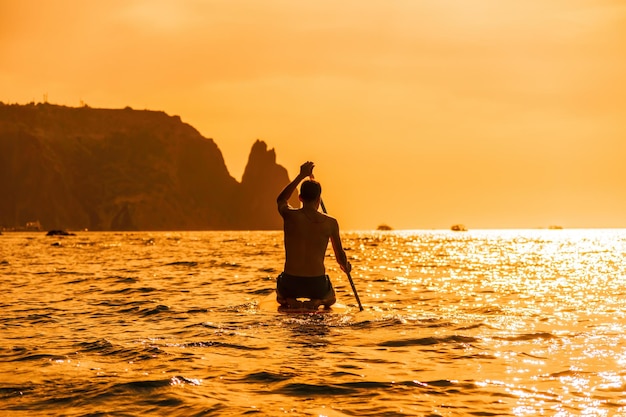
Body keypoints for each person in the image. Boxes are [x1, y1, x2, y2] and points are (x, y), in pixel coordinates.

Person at [275, 161, 351, 310]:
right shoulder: (331, 222)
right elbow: (340, 259)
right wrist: (346, 266)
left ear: (300, 198)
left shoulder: (290, 215)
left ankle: (289, 299)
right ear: (319, 199)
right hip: (316, 284)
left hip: (291, 282)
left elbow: (281, 200)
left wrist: (301, 175)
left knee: (280, 297)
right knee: (331, 299)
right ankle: (318, 301)